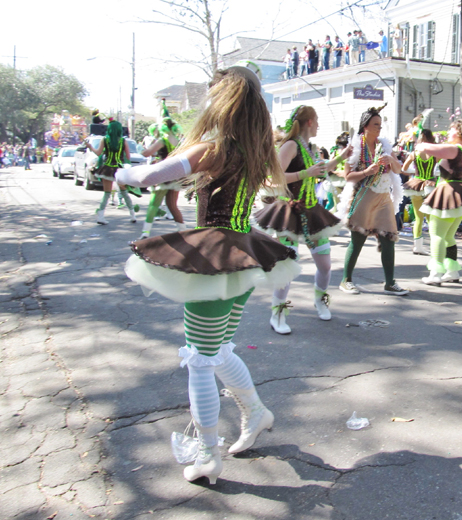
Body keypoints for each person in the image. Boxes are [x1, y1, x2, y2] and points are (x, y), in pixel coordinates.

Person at [116, 65, 300, 484]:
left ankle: (207, 453)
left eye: (212, 92)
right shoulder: (258, 150)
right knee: (217, 350)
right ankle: (256, 413)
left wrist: (117, 172)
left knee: (200, 358)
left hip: (217, 257)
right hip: (243, 253)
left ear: (224, 99)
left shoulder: (215, 148)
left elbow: (147, 176)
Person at [254, 105, 352, 334]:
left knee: (325, 266)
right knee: (287, 268)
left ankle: (320, 301)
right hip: (289, 213)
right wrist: (303, 174)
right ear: (309, 122)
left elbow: (320, 170)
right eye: (316, 120)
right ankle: (277, 315)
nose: (318, 125)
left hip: (312, 213)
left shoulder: (310, 147)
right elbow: (271, 179)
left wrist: (341, 156)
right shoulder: (290, 145)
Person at [337, 105, 408, 295]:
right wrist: (366, 172)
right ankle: (346, 280)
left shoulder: (384, 145)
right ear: (365, 126)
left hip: (384, 197)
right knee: (358, 239)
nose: (379, 128)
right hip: (364, 196)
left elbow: (399, 170)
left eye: (380, 124)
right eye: (376, 124)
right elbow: (347, 176)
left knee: (388, 238)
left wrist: (391, 161)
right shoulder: (354, 147)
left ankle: (390, 282)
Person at [416, 120, 462, 284]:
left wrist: (417, 140)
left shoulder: (455, 148)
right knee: (448, 237)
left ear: (459, 132)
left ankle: (435, 274)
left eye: (451, 129)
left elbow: (427, 148)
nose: (448, 132)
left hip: (449, 192)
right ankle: (452, 271)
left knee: (436, 235)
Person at [138, 101, 185, 239]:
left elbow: (147, 153)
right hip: (176, 175)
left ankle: (145, 233)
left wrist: (140, 149)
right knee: (172, 205)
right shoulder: (178, 140)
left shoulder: (163, 140)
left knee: (154, 203)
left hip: (163, 174)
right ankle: (183, 232)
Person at [84, 119, 138, 225]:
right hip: (119, 169)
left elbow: (98, 153)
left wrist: (90, 147)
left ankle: (100, 216)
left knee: (107, 194)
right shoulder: (123, 141)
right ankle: (132, 215)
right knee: (124, 193)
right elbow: (128, 156)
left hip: (107, 169)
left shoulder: (104, 140)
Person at [401, 128, 437, 255]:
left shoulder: (414, 153)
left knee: (418, 218)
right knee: (431, 218)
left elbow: (404, 169)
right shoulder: (435, 154)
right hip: (430, 185)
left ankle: (418, 246)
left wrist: (415, 172)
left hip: (416, 185)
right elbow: (444, 168)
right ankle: (435, 246)